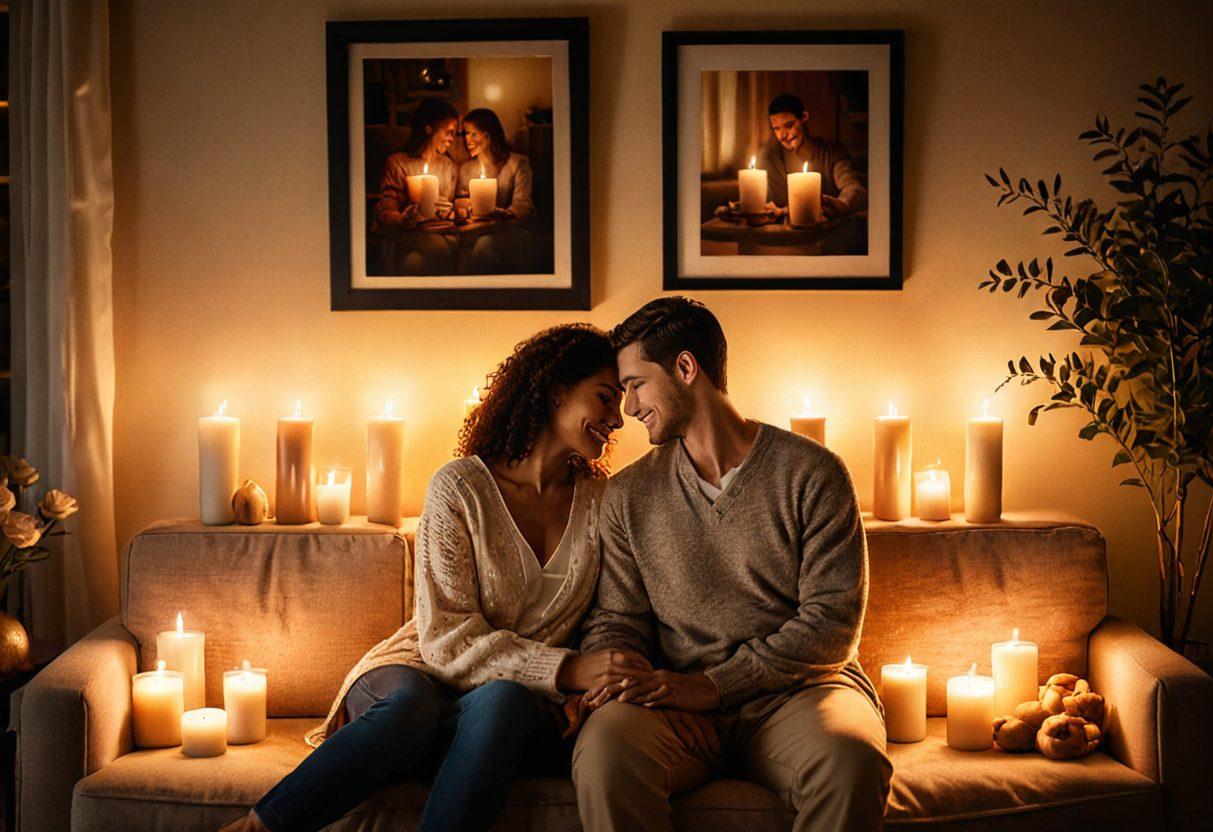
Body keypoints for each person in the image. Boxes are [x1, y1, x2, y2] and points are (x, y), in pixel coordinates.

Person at [221, 324, 642, 832]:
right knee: (410, 708)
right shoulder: (460, 488)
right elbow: (444, 638)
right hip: (416, 675)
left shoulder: (602, 504)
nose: (617, 419)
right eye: (605, 397)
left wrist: (599, 677)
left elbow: (607, 615)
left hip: (502, 712)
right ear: (556, 390)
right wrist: (569, 668)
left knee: (505, 699)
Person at [572, 297, 892, 832]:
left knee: (850, 761)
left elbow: (831, 626)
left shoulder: (812, 473)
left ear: (685, 367)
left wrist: (715, 686)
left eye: (636, 385)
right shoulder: (627, 495)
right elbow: (617, 620)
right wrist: (641, 690)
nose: (628, 407)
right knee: (606, 751)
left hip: (801, 695)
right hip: (678, 708)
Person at [370, 98, 461, 275]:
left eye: (454, 134)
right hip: (408, 235)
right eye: (448, 132)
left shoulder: (449, 166)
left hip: (443, 232)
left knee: (416, 262)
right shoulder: (398, 163)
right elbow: (386, 208)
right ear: (429, 129)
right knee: (434, 250)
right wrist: (403, 219)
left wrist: (454, 209)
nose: (452, 139)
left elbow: (451, 205)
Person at [455, 108, 547, 274]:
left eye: (472, 134)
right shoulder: (465, 169)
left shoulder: (517, 164)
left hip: (513, 230)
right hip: (478, 231)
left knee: (486, 244)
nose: (467, 140)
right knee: (480, 243)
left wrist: (507, 214)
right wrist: (463, 206)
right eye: (465, 134)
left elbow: (523, 204)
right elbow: (462, 200)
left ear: (488, 136)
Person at [761, 92, 868, 218]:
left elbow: (854, 188)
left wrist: (841, 205)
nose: (783, 136)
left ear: (804, 117)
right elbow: (775, 206)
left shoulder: (831, 152)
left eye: (789, 125)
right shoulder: (771, 157)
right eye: (777, 129)